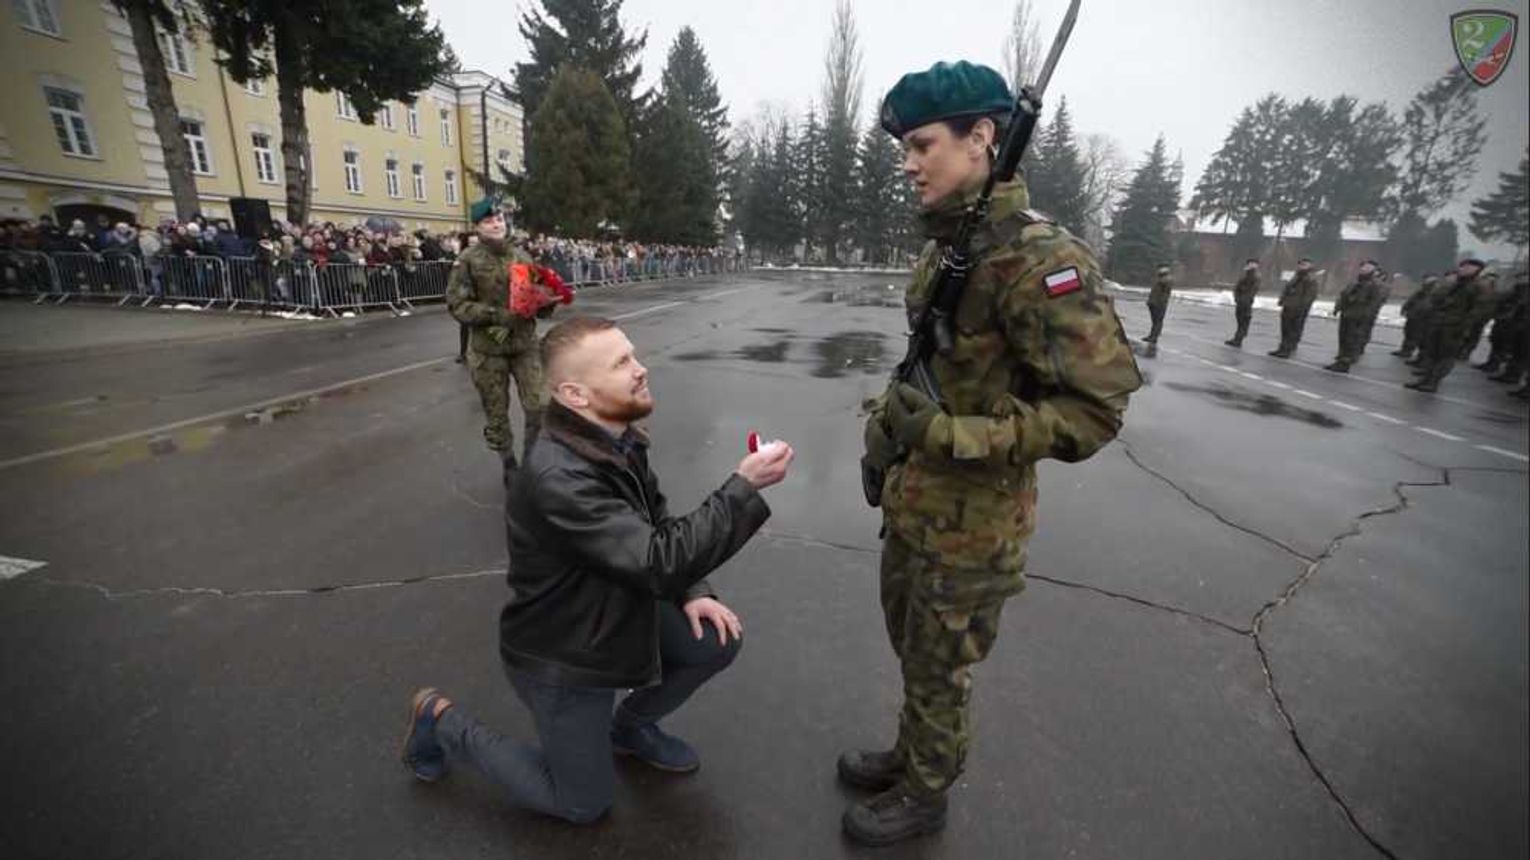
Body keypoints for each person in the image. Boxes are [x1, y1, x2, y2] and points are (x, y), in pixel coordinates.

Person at [852, 61, 1142, 846]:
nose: (908, 164)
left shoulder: (1041, 261)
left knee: (941, 663)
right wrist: (885, 430)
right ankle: (912, 754)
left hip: (973, 525)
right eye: (903, 149)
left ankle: (926, 793)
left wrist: (953, 436)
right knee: (914, 649)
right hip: (917, 503)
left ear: (981, 137)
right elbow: (932, 365)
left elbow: (1095, 410)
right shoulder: (950, 247)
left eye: (921, 145)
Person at [400, 316, 794, 825]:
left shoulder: (617, 437)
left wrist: (693, 589)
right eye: (621, 363)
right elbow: (656, 562)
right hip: (566, 653)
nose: (640, 368)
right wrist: (743, 487)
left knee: (714, 640)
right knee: (583, 805)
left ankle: (627, 728)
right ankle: (441, 721)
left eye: (633, 354)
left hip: (617, 606)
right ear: (575, 394)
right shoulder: (558, 475)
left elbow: (656, 520)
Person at [446, 199, 561, 470]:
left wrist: (550, 299)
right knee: (496, 412)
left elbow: (537, 298)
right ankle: (508, 463)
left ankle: (531, 459)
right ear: (477, 227)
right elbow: (457, 305)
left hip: (524, 345)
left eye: (498, 219)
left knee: (539, 405)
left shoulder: (522, 257)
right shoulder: (468, 260)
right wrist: (496, 315)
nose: (496, 224)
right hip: (488, 351)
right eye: (488, 221)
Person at [1406, 258, 1492, 392]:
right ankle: (1425, 379)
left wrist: (1464, 327)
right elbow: (1436, 299)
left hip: (1455, 326)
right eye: (1462, 266)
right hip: (1439, 323)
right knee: (1432, 353)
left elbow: (1478, 310)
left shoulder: (1479, 286)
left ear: (1477, 269)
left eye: (1467, 267)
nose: (1463, 269)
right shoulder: (1455, 284)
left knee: (1445, 356)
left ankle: (1433, 382)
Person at [1325, 259, 1385, 373]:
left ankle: (1345, 363)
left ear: (1374, 270)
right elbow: (1344, 295)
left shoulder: (1374, 285)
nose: (1364, 269)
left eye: (1368, 268)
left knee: (1352, 340)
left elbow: (1374, 303)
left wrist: (1365, 317)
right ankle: (1340, 359)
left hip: (1358, 317)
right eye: (1363, 267)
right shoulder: (1355, 282)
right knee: (1343, 338)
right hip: (1347, 314)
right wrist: (1338, 308)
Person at [1269, 258, 1319, 358]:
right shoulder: (1296, 276)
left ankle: (1288, 349)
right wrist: (1282, 300)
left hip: (1298, 309)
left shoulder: (1310, 279)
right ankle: (1282, 348)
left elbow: (1309, 296)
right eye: (1301, 264)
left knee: (1294, 330)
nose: (1302, 266)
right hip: (1288, 306)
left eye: (1305, 265)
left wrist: (1302, 308)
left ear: (1310, 266)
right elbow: (1287, 289)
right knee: (1285, 329)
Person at [1393, 273, 1440, 360]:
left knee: (1417, 335)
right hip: (1413, 315)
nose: (1426, 280)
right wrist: (1405, 308)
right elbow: (1411, 299)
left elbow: (1429, 304)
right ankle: (1405, 350)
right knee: (1409, 333)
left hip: (1422, 317)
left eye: (1428, 278)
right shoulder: (1421, 290)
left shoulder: (1435, 290)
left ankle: (1413, 353)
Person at [1225, 258, 1261, 347]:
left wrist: (1245, 299)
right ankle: (1237, 338)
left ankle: (1239, 339)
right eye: (1249, 263)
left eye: (1253, 264)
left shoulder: (1255, 276)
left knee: (1244, 321)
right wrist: (1237, 297)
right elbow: (1237, 287)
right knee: (1240, 321)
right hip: (1240, 301)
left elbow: (1253, 290)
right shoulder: (1245, 274)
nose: (1251, 265)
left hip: (1246, 302)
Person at [1144, 263, 1173, 343]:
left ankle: (1154, 337)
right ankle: (1152, 335)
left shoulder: (1166, 279)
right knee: (1155, 321)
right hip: (1153, 303)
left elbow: (1165, 292)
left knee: (1157, 321)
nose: (1157, 270)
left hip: (1159, 304)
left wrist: (1161, 302)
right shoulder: (1159, 278)